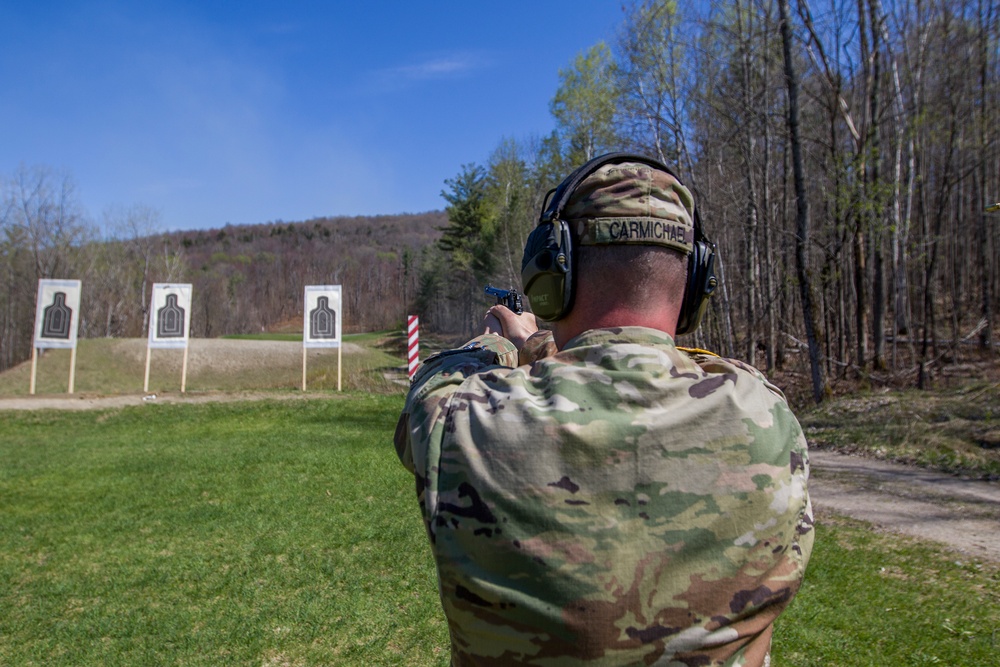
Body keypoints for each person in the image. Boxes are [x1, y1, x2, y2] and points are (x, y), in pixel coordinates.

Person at [394, 153, 814, 666]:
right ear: (695, 284)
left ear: (549, 274)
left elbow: (431, 385)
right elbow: (638, 363)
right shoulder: (767, 419)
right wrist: (544, 347)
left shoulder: (465, 422)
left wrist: (503, 345)